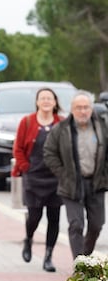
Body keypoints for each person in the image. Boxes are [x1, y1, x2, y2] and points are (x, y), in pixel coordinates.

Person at [44, 90, 108, 259]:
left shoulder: (101, 126)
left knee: (96, 225)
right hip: (71, 184)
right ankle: (79, 265)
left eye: (86, 107)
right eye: (78, 107)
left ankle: (85, 257)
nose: (82, 111)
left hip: (96, 183)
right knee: (76, 225)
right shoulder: (62, 129)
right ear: (72, 109)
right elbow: (49, 153)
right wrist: (62, 174)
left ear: (91, 109)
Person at [12, 88, 64, 272]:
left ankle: (48, 256)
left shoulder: (62, 123)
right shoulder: (27, 122)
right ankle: (28, 239)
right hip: (33, 176)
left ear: (55, 102)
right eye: (42, 98)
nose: (46, 101)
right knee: (34, 216)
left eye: (49, 98)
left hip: (56, 178)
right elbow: (17, 148)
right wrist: (26, 167)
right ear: (37, 102)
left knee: (54, 217)